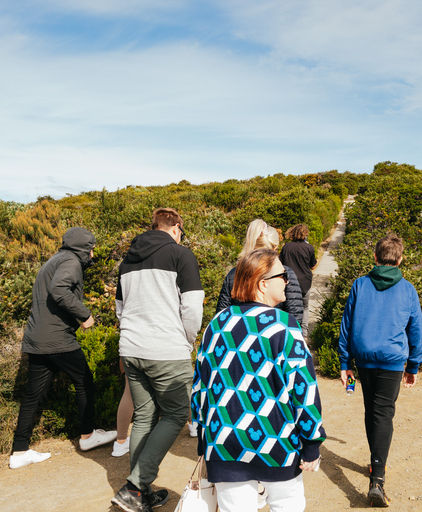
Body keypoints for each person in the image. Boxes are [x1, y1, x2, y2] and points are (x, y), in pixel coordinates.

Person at [192, 248, 326, 512]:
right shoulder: (284, 325)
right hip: (276, 442)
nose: (288, 280)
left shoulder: (217, 323)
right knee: (288, 506)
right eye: (283, 275)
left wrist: (202, 434)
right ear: (263, 284)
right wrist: (312, 441)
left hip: (223, 442)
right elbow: (303, 387)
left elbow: (200, 385)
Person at [111, 208, 205, 512]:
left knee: (145, 415)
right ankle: (135, 486)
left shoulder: (127, 260)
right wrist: (187, 341)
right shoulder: (181, 254)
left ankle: (140, 492)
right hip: (166, 349)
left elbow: (120, 308)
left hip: (132, 347)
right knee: (178, 414)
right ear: (176, 228)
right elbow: (192, 308)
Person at [10, 227, 117, 470]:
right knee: (84, 380)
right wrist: (84, 314)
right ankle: (88, 436)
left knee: (33, 395)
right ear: (82, 247)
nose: (93, 253)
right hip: (56, 338)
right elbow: (59, 290)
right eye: (91, 248)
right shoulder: (71, 261)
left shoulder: (55, 259)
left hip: (37, 338)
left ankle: (19, 451)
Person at [338, 233, 422, 507]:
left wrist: (344, 362)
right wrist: (414, 365)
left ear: (375, 257)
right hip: (391, 360)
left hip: (364, 359)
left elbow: (347, 325)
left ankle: (376, 464)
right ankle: (378, 479)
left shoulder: (360, 285)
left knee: (371, 411)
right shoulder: (407, 289)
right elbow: (416, 329)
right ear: (400, 259)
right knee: (383, 413)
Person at [216, 219, 304, 324]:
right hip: (275, 335)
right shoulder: (285, 273)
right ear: (275, 247)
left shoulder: (235, 273)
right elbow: (295, 316)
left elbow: (222, 314)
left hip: (238, 335)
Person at [279, 224, 317, 336]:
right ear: (305, 234)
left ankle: (287, 332)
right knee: (305, 307)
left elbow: (280, 264)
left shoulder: (286, 247)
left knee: (288, 307)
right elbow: (313, 266)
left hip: (288, 282)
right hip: (305, 282)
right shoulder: (309, 248)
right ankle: (304, 334)